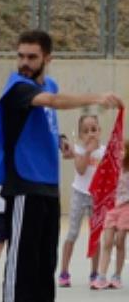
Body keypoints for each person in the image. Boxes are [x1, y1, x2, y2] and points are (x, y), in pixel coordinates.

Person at [0, 30, 122, 302]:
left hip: (47, 186)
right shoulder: (18, 86)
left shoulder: (51, 84)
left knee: (44, 263)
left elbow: (46, 115)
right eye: (21, 56)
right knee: (20, 265)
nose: (24, 63)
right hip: (23, 185)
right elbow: (51, 103)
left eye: (32, 57)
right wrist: (96, 98)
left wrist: (59, 139)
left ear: (47, 58)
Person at [59, 114, 103, 288]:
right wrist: (87, 151)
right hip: (80, 194)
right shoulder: (79, 150)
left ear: (100, 131)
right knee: (73, 233)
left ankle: (94, 272)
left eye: (94, 129)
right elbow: (81, 169)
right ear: (80, 135)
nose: (90, 134)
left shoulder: (105, 151)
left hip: (96, 197)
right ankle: (64, 271)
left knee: (96, 235)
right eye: (86, 131)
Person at [92, 143, 128, 290]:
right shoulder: (113, 168)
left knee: (120, 242)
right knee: (107, 242)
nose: (119, 153)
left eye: (123, 150)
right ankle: (101, 276)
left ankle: (117, 276)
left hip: (126, 208)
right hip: (112, 209)